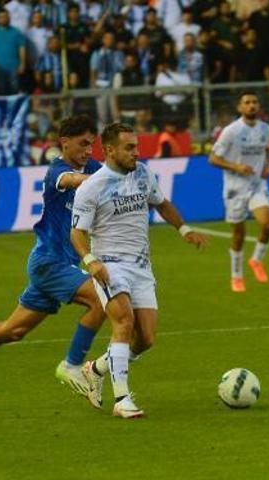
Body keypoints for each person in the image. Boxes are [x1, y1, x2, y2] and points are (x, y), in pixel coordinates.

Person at [0, 115, 106, 397]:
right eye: (83, 144)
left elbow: (106, 176)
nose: (89, 150)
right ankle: (73, 364)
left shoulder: (91, 166)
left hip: (52, 265)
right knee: (101, 299)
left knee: (14, 331)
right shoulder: (57, 172)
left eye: (92, 145)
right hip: (50, 263)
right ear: (65, 143)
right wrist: (105, 180)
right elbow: (77, 181)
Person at [71, 122, 208, 418]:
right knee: (124, 323)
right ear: (109, 150)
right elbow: (77, 233)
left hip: (142, 267)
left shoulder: (144, 173)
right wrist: (90, 261)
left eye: (137, 146)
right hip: (109, 265)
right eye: (129, 147)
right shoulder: (92, 187)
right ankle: (122, 400)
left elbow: (162, 203)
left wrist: (184, 230)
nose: (137, 152)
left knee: (145, 339)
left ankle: (95, 369)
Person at [208, 90, 269, 293]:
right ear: (240, 108)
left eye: (254, 102)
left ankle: (256, 260)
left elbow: (268, 150)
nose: (252, 105)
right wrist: (237, 167)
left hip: (256, 185)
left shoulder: (266, 129)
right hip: (235, 188)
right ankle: (236, 276)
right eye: (247, 102)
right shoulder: (231, 131)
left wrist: (267, 166)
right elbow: (213, 158)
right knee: (239, 233)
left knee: (267, 224)